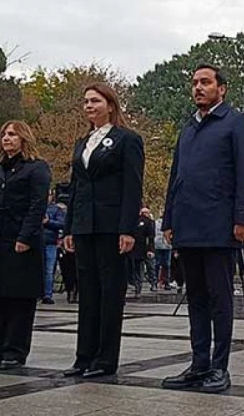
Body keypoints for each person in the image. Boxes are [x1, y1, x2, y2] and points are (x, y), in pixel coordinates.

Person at [161, 64, 244, 393]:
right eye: (195, 83)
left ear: (222, 89)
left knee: (220, 299)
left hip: (219, 227)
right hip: (188, 226)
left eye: (206, 82)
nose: (198, 88)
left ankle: (220, 368)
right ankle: (199, 364)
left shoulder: (235, 122)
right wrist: (169, 218)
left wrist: (243, 218)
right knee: (196, 299)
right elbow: (176, 177)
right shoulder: (188, 128)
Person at [62, 83, 144, 379]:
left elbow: (132, 187)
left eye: (95, 101)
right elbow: (76, 188)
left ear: (110, 105)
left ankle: (105, 359)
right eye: (85, 101)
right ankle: (84, 356)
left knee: (110, 293)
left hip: (111, 226)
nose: (89, 106)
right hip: (84, 225)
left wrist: (127, 229)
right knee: (88, 292)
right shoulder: (82, 143)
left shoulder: (127, 140)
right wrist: (70, 226)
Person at [0, 120, 52, 370]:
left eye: (13, 134)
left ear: (24, 138)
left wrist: (25, 237)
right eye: (4, 134)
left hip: (21, 242)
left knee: (19, 298)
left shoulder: (36, 168)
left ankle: (14, 351)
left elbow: (38, 206)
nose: (7, 138)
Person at [42, 190, 65, 305]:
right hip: (38, 242)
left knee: (49, 270)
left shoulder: (56, 209)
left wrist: (48, 222)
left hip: (50, 242)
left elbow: (62, 224)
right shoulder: (36, 207)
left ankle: (47, 294)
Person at [133, 207, 155, 294]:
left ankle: (153, 283)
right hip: (137, 249)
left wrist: (151, 249)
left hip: (145, 249)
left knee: (150, 266)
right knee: (138, 268)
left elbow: (151, 237)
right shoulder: (135, 221)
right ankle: (138, 287)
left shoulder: (149, 222)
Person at [154, 212, 172, 291]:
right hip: (158, 246)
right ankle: (156, 282)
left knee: (166, 265)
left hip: (166, 246)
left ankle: (166, 282)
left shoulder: (170, 223)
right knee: (158, 264)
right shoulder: (156, 223)